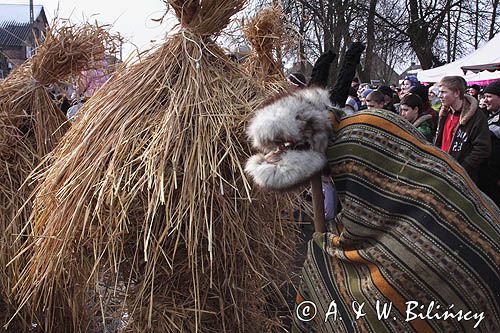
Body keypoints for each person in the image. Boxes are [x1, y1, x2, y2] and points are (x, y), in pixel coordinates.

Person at [434, 76, 491, 182]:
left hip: (463, 178)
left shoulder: (477, 116)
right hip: (442, 172)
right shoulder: (444, 113)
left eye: (443, 92)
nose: (439, 96)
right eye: (439, 92)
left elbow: (482, 148)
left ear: (456, 93)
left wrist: (462, 169)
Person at [478, 80, 500, 206]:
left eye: (489, 96)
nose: (485, 100)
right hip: (488, 178)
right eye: (484, 97)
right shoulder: (487, 116)